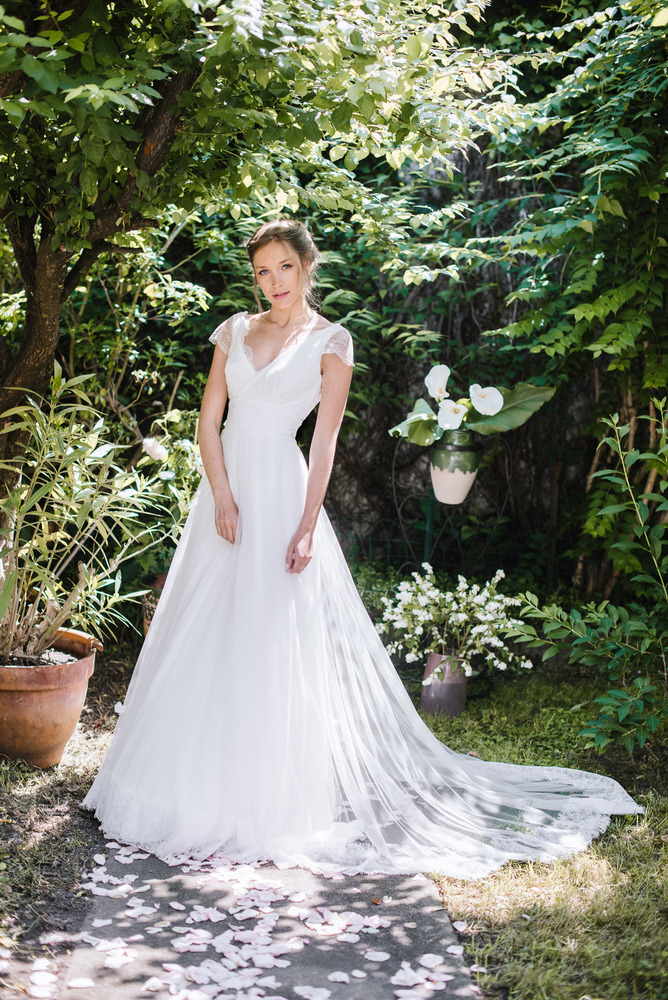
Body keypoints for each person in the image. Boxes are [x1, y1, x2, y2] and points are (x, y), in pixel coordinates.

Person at [83, 220, 643, 878]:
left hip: (282, 493)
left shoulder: (332, 343)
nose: (274, 282)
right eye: (262, 271)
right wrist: (223, 495)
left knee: (267, 636)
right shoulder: (234, 330)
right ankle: (181, 784)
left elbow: (323, 443)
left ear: (306, 266)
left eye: (284, 267)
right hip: (225, 492)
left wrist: (305, 525)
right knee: (201, 628)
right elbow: (209, 419)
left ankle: (261, 798)